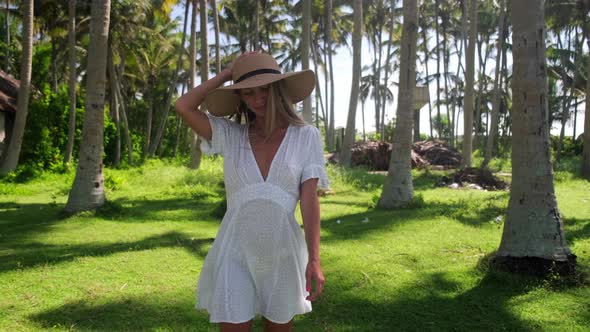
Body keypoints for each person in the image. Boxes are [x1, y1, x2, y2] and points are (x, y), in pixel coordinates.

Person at [175, 52, 329, 332]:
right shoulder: (231, 135)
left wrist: (315, 260)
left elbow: (309, 201)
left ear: (279, 90)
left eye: (265, 90)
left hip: (283, 251)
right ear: (241, 99)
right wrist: (227, 75)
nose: (258, 99)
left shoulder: (306, 136)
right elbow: (184, 106)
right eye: (248, 93)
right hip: (235, 250)